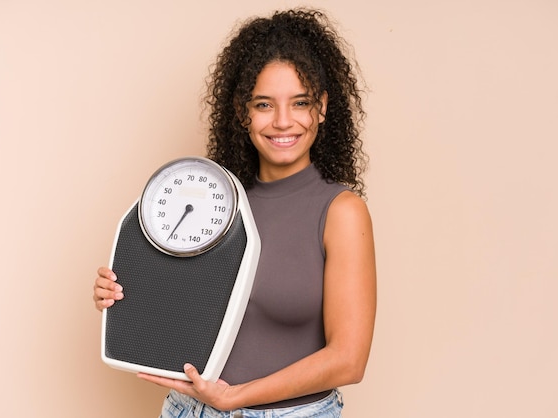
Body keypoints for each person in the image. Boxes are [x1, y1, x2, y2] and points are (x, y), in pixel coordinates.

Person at [93, 8, 376, 417]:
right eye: (264, 104)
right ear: (243, 112)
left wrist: (236, 399)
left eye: (300, 102)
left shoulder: (340, 212)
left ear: (323, 108)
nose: (283, 122)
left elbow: (349, 360)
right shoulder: (212, 202)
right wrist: (122, 292)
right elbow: (183, 301)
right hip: (187, 409)